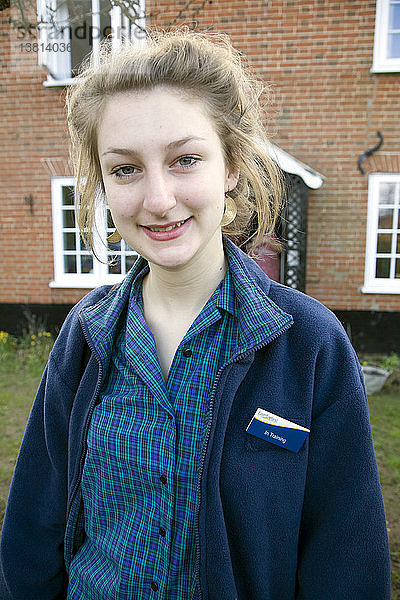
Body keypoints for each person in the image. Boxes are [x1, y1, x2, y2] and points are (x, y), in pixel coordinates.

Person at [0, 29, 391, 600]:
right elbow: (32, 534)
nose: (157, 200)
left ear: (231, 166)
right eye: (126, 169)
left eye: (185, 160)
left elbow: (345, 558)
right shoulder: (84, 338)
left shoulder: (309, 343)